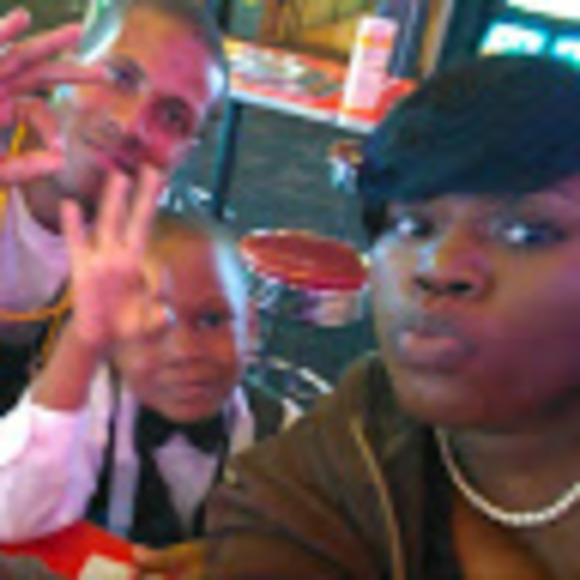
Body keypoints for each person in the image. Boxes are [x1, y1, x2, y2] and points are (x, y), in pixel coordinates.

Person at [201, 54, 580, 579]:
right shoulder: (370, 418)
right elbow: (263, 514)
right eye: (414, 226)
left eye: (526, 233)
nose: (438, 268)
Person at [0, 170, 298, 577]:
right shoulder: (92, 406)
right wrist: (79, 347)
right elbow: (10, 512)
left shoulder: (285, 433)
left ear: (249, 325)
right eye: (151, 328)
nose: (185, 353)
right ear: (112, 344)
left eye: (212, 320)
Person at [0, 0, 226, 413]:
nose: (129, 124)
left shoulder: (155, 272)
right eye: (120, 77)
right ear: (67, 64)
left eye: (173, 117)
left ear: (183, 155)